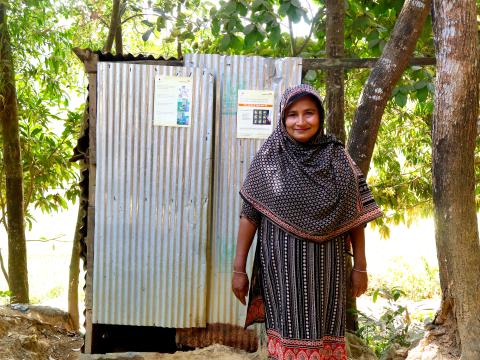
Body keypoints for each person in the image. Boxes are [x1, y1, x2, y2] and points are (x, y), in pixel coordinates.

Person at [232, 84, 382, 360]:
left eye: (309, 113)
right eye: (293, 114)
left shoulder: (337, 157)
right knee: (286, 338)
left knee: (324, 336)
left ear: (320, 116)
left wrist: (360, 266)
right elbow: (249, 214)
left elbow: (356, 215)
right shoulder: (269, 157)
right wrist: (238, 269)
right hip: (281, 268)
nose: (301, 121)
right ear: (282, 118)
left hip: (327, 269)